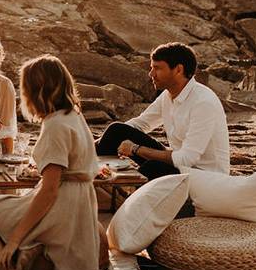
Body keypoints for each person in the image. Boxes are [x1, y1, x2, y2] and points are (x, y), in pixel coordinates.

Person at [0, 55, 107, 270]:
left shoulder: (55, 126)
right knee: (1, 220)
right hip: (79, 202)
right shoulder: (74, 116)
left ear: (35, 89)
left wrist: (14, 240)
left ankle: (9, 267)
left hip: (60, 205)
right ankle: (33, 251)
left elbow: (50, 190)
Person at [95, 42, 229, 179]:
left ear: (178, 70)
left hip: (204, 176)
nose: (151, 74)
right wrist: (98, 141)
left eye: (157, 68)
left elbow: (187, 158)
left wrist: (136, 149)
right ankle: (88, 172)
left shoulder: (203, 102)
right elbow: (140, 124)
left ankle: (117, 194)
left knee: (152, 168)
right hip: (179, 164)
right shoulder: (168, 95)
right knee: (117, 130)